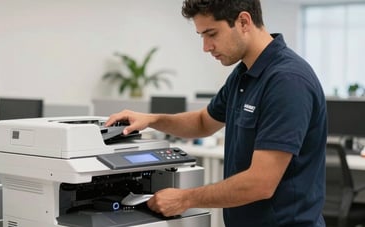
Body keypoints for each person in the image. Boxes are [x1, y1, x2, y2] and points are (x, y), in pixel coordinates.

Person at [105, 0, 327, 226]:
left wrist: (185, 198)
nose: (206, 46)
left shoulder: (287, 81)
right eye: (202, 36)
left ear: (243, 21)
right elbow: (203, 122)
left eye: (211, 34)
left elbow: (261, 183)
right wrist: (152, 120)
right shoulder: (243, 74)